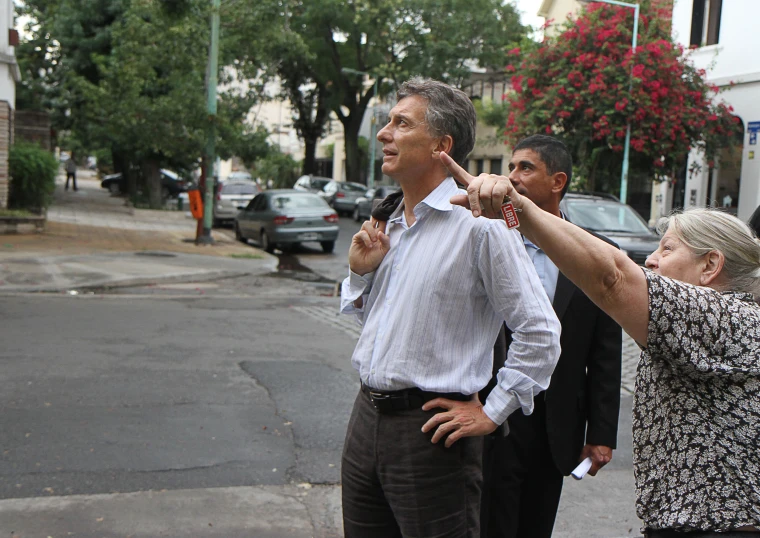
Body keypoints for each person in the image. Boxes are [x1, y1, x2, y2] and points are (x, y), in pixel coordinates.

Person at [441, 150, 760, 537]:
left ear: (710, 265)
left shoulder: (723, 318)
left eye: (668, 249)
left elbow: (613, 278)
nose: (652, 262)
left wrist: (517, 209)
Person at [339, 77, 561, 538]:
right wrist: (361, 274)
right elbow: (383, 327)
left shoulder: (481, 226)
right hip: (365, 422)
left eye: (401, 123)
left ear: (442, 145)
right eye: (388, 122)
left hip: (431, 433)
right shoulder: (389, 223)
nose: (384, 133)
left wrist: (493, 410)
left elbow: (540, 331)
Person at [372, 134, 622, 538]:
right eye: (511, 167)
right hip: (490, 411)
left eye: (526, 168)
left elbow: (606, 354)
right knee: (490, 518)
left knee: (536, 521)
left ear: (557, 182)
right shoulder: (489, 236)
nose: (513, 177)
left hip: (556, 422)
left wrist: (601, 435)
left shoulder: (592, 253)